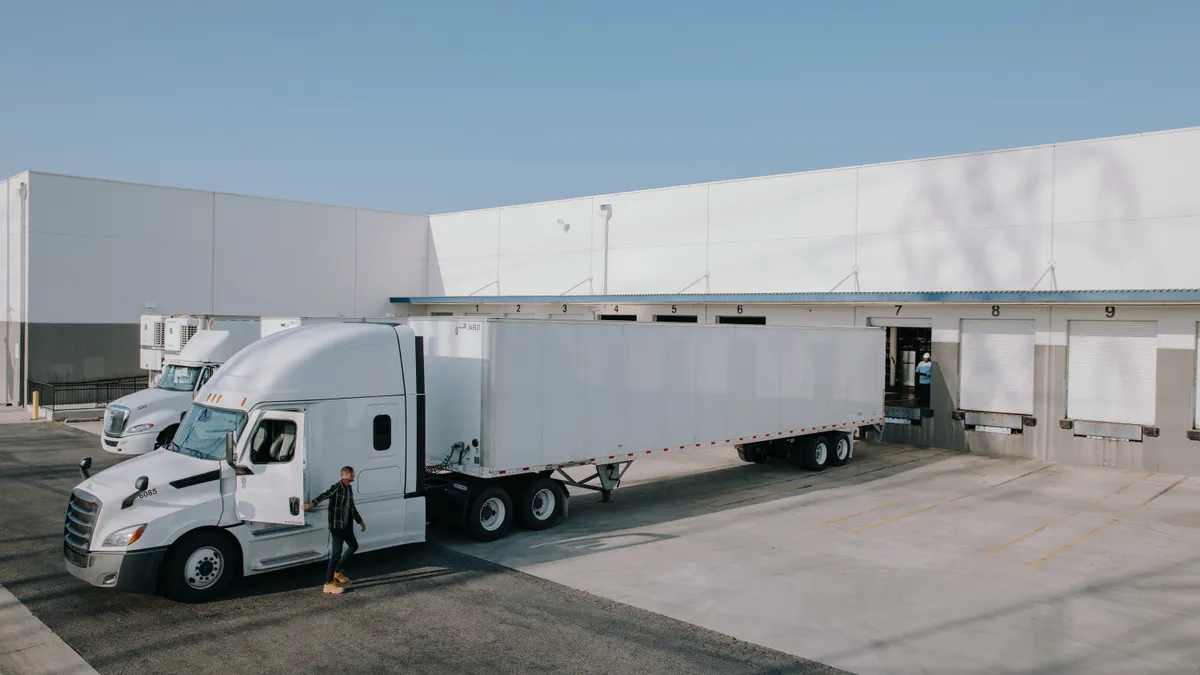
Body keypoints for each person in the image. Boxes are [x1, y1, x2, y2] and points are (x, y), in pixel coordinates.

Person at [304, 466, 366, 595]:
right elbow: (325, 495)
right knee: (336, 554)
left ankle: (337, 571)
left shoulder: (349, 488)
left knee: (353, 546)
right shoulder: (337, 487)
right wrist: (311, 504)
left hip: (347, 525)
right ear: (348, 474)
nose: (354, 476)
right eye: (353, 474)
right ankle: (328, 583)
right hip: (337, 526)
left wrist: (360, 521)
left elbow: (352, 508)